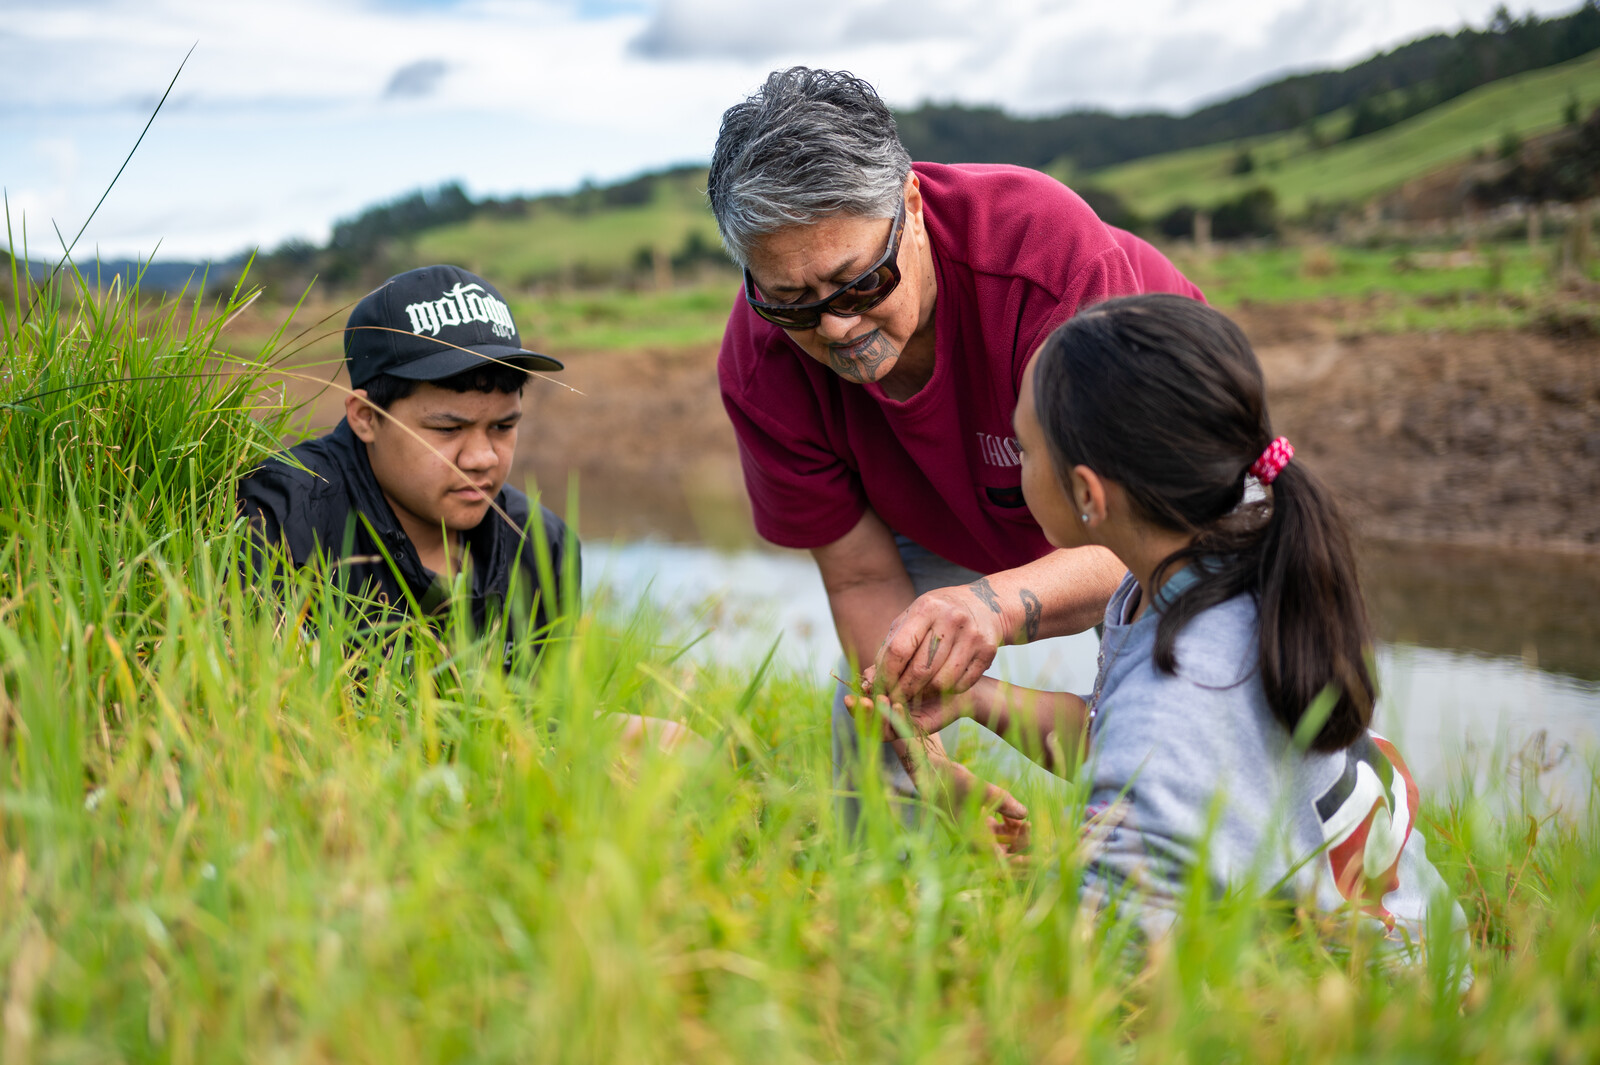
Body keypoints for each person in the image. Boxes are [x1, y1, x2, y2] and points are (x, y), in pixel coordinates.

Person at [854, 294, 1466, 952]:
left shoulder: (1183, 685)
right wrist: (978, 699)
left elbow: (1106, 971)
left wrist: (1022, 860)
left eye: (1024, 448)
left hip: (1349, 1017)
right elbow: (1145, 745)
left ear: (1088, 494)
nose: (1017, 465)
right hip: (1419, 963)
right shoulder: (1230, 570)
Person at [709, 67, 1204, 830]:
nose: (835, 328)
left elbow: (1146, 533)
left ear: (910, 205)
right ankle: (891, 905)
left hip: (1163, 489)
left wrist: (994, 604)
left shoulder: (1046, 259)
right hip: (941, 504)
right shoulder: (761, 366)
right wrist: (926, 760)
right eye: (793, 303)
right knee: (874, 716)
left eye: (858, 283)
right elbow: (862, 576)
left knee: (1185, 705)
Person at [238, 264, 693, 753]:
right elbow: (265, 726)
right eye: (448, 430)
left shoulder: (542, 547)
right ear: (366, 417)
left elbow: (541, 724)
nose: (482, 460)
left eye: (503, 427)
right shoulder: (287, 519)